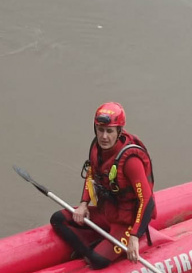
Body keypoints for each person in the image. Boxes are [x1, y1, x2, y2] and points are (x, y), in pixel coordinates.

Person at [50, 102, 156, 270]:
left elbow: (147, 200)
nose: (104, 136)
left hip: (126, 223)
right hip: (106, 213)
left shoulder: (130, 161)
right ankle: (92, 248)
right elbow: (92, 174)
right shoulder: (96, 148)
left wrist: (135, 236)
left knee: (97, 260)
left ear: (119, 131)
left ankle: (93, 252)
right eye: (100, 130)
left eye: (109, 131)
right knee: (58, 219)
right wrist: (84, 203)